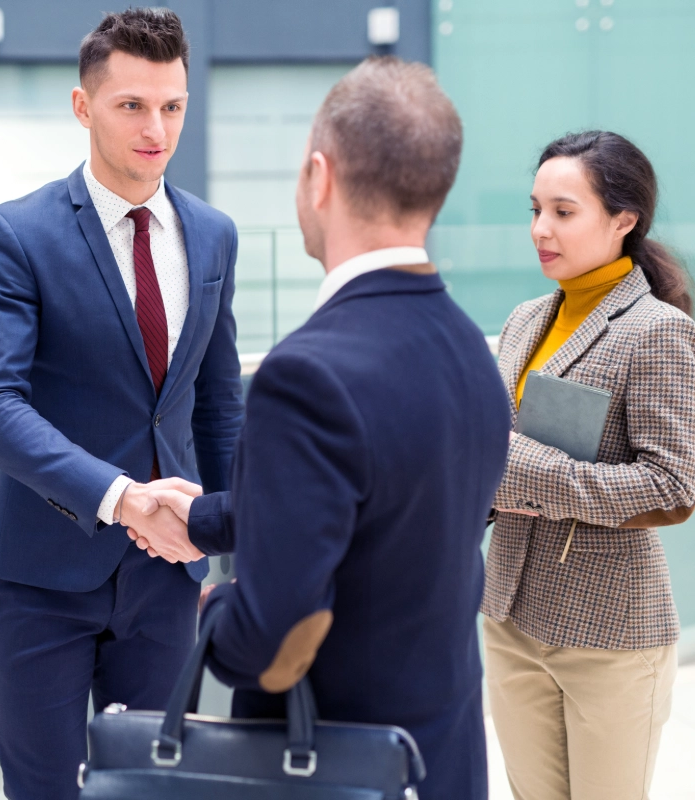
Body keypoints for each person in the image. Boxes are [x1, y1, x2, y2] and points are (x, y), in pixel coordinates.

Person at [140, 57, 511, 799]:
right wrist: (205, 519)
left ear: (320, 176)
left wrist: (216, 612)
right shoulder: (471, 348)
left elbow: (272, 639)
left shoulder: (304, 375)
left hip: (335, 765)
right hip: (441, 758)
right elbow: (379, 503)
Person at [0, 8, 244, 798]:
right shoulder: (17, 234)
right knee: (45, 787)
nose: (157, 128)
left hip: (169, 576)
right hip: (42, 575)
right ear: (83, 107)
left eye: (173, 106)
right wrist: (120, 499)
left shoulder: (213, 234)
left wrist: (238, 542)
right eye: (132, 106)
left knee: (157, 784)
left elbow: (219, 404)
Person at [483, 131, 695, 800]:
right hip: (510, 617)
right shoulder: (525, 320)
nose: (541, 230)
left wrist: (522, 468)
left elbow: (673, 487)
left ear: (624, 219)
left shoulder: (658, 331)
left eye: (563, 211)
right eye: (534, 210)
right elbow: (497, 460)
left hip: (608, 634)